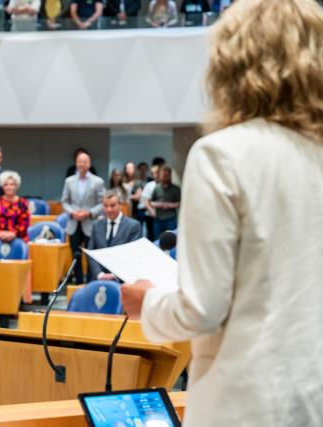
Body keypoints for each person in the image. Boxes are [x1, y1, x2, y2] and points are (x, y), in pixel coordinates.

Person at [120, 1, 323, 425]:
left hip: (247, 401)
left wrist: (147, 303)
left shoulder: (223, 154)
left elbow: (201, 309)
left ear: (231, 63)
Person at [61, 151, 104, 284]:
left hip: (90, 223)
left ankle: (91, 282)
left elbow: (102, 203)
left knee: (91, 254)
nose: (82, 164)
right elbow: (64, 201)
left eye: (85, 161)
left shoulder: (98, 181)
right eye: (80, 161)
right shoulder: (69, 181)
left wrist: (89, 213)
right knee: (75, 255)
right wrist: (73, 213)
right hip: (74, 223)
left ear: (89, 164)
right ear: (76, 163)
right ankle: (78, 283)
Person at [87, 190, 141, 280]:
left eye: (112, 206)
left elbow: (132, 255)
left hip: (122, 279)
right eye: (105, 206)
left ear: (120, 205)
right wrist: (99, 274)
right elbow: (91, 253)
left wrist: (114, 275)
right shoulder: (96, 225)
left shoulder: (133, 226)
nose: (108, 209)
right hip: (99, 278)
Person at [0, 171, 30, 242]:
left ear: (16, 186)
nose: (9, 187)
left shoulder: (23, 202)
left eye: (12, 184)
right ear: (2, 186)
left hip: (18, 239)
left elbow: (25, 223)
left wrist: (13, 234)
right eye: (6, 184)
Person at [150, 166, 180, 239]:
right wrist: (157, 205)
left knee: (172, 240)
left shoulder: (175, 188)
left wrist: (169, 205)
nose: (164, 176)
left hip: (170, 218)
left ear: (169, 175)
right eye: (163, 175)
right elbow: (151, 202)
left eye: (166, 175)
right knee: (157, 240)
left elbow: (180, 203)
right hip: (158, 218)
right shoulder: (156, 188)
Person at [139, 164, 160, 240]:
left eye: (157, 173)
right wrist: (153, 212)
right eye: (153, 173)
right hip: (150, 215)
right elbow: (145, 201)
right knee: (151, 236)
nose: (156, 175)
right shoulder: (149, 185)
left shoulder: (163, 185)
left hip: (162, 216)